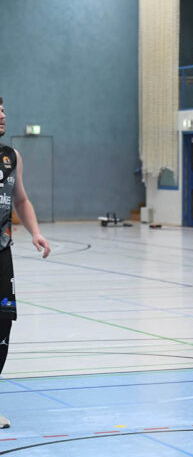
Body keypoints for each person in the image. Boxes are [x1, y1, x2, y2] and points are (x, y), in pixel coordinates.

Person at [0, 96, 52, 428]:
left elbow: (20, 198)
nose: (3, 114)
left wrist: (35, 231)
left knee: (3, 326)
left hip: (2, 254)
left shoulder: (11, 157)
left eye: (3, 109)